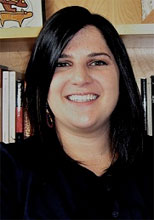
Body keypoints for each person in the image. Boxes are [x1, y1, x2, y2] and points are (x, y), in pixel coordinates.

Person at [0, 6, 153, 220]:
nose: (81, 78)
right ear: (41, 84)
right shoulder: (7, 170)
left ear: (121, 76)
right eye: (62, 64)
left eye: (97, 62)